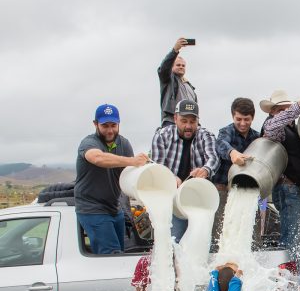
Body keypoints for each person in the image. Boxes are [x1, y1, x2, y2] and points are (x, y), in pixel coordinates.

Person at [74, 104, 149, 254]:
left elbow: (130, 173)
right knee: (111, 255)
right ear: (95, 124)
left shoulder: (124, 143)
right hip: (92, 208)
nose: (110, 130)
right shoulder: (89, 143)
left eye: (113, 125)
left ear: (119, 123)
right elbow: (97, 158)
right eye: (105, 125)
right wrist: (132, 161)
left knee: (120, 255)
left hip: (115, 208)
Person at [151, 99, 219, 241]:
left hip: (199, 201)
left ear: (198, 121)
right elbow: (158, 167)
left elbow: (213, 158)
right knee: (173, 243)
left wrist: (205, 170)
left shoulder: (206, 135)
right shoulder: (162, 136)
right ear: (175, 118)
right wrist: (170, 178)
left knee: (201, 244)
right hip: (172, 201)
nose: (188, 126)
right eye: (184, 121)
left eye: (192, 121)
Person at [260, 90, 300, 260]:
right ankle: (290, 271)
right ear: (272, 112)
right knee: (292, 237)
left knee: (292, 233)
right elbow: (271, 128)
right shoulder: (275, 126)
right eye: (281, 110)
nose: (287, 114)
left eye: (288, 109)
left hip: (293, 187)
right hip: (288, 187)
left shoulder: (292, 128)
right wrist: (297, 107)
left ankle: (289, 270)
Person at [211, 98, 261, 249]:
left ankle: (254, 254)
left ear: (253, 117)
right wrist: (232, 153)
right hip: (223, 188)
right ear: (233, 116)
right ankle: (217, 259)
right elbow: (220, 144)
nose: (243, 123)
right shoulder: (226, 131)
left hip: (247, 188)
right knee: (221, 227)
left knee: (252, 224)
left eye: (247, 119)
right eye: (238, 119)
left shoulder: (257, 137)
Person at [158, 37, 196, 127]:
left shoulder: (189, 86)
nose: (181, 67)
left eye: (183, 65)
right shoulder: (168, 79)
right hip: (171, 122)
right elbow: (164, 68)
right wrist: (175, 50)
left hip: (189, 124)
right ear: (171, 66)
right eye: (178, 65)